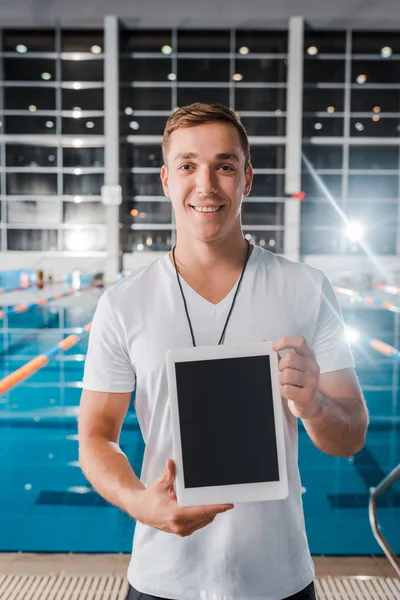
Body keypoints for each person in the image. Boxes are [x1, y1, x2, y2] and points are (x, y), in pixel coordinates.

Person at [79, 103, 368, 600]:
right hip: (162, 577)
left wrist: (313, 405)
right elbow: (95, 437)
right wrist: (137, 503)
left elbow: (350, 436)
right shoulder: (124, 303)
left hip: (278, 578)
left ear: (247, 178)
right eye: (189, 166)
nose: (206, 185)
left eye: (225, 166)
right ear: (167, 180)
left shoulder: (306, 288)